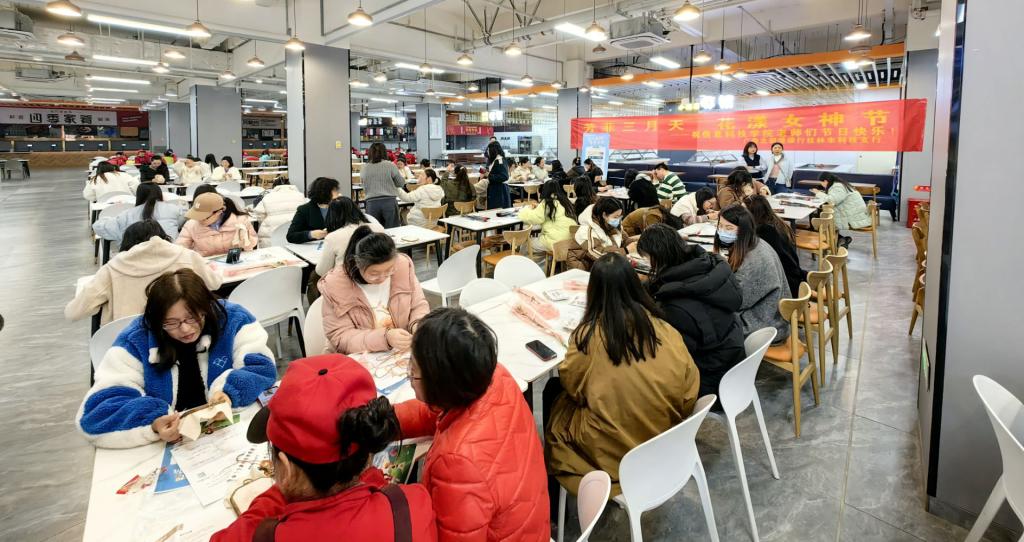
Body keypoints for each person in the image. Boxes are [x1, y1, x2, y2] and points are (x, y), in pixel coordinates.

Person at [211, 354, 437, 542]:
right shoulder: (413, 506)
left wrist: (283, 490)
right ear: (368, 454)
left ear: (287, 469)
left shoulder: (268, 535)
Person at [546, 253, 700, 495]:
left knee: (553, 393)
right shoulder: (662, 327)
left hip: (616, 450)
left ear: (593, 291)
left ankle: (552, 501)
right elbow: (690, 385)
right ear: (634, 284)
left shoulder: (589, 336)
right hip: (666, 436)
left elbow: (572, 386)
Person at [394, 308, 550, 541]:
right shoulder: (492, 376)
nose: (411, 378)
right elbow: (435, 412)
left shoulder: (458, 464)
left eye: (413, 372)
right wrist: (389, 420)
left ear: (440, 385)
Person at [76, 268, 276, 448]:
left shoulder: (231, 319)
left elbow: (261, 367)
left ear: (206, 307)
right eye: (171, 323)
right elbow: (97, 412)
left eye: (193, 317)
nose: (185, 329)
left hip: (228, 437)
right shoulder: (136, 340)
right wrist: (154, 421)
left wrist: (228, 393)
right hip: (168, 447)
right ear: (156, 321)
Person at [637, 224, 745, 397]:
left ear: (658, 258)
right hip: (732, 354)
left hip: (712, 378)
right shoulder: (707, 267)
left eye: (647, 258)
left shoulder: (675, 306)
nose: (648, 264)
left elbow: (679, 357)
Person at [66, 220, 221, 325]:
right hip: (184, 337)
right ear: (164, 237)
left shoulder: (112, 269)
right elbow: (215, 283)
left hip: (130, 345)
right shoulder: (186, 256)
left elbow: (73, 313)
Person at [319, 226, 429, 354]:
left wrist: (418, 325)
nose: (382, 277)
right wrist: (385, 338)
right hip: (357, 356)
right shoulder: (336, 285)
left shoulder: (402, 267)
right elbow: (340, 336)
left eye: (389, 270)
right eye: (374, 273)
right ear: (357, 264)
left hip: (398, 354)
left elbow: (418, 305)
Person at [715, 204, 790, 340]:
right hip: (769, 317)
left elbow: (735, 302)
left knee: (705, 322)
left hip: (765, 326)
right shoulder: (755, 243)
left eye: (729, 228)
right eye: (720, 226)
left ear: (743, 230)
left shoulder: (752, 261)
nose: (722, 231)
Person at [746, 195, 805, 297]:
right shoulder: (777, 223)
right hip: (793, 278)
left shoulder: (765, 232)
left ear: (753, 213)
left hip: (784, 286)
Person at [93, 182, 185, 242]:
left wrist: (106, 218)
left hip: (138, 258)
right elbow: (182, 222)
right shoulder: (175, 209)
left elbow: (99, 227)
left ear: (138, 196)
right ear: (160, 194)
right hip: (171, 255)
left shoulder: (128, 214)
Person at [316, 198, 384, 278]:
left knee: (314, 276)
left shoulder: (333, 237)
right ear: (356, 208)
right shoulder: (378, 227)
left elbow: (322, 271)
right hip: (378, 275)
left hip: (347, 279)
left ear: (332, 214)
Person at [177, 191, 258, 257]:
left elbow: (251, 246)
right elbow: (180, 248)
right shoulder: (191, 225)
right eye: (196, 215)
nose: (199, 220)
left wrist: (246, 240)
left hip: (234, 266)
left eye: (204, 217)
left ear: (218, 212)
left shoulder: (240, 221)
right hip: (206, 267)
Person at [517, 179, 577, 255]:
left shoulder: (547, 203)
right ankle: (546, 262)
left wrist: (525, 210)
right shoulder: (565, 202)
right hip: (569, 241)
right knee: (539, 241)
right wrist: (539, 207)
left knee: (525, 245)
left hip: (555, 241)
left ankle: (523, 262)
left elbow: (533, 218)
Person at [812, 172, 871, 248]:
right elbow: (835, 197)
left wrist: (818, 193)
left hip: (853, 216)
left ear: (825, 181)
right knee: (824, 219)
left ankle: (834, 242)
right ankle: (839, 240)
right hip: (854, 213)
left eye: (821, 183)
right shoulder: (838, 185)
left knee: (822, 222)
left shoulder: (837, 186)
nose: (822, 185)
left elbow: (832, 200)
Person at [569, 197, 624, 270]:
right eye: (616, 217)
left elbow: (625, 240)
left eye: (620, 216)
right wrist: (625, 250)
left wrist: (635, 244)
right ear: (604, 215)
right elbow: (596, 253)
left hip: (601, 265)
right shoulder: (587, 230)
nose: (618, 220)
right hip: (583, 267)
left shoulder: (610, 224)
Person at [361, 142, 407, 228]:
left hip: (371, 203)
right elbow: (400, 183)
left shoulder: (364, 167)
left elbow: (363, 186)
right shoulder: (390, 165)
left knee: (375, 231)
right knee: (393, 230)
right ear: (384, 152)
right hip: (389, 202)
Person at [251, 178, 305, 248]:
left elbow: (259, 214)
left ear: (274, 187)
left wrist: (267, 223)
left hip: (271, 238)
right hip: (296, 236)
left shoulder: (268, 197)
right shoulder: (300, 196)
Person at [286, 176, 339, 243]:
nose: (338, 193)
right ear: (325, 192)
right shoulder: (304, 210)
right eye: (334, 190)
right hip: (313, 247)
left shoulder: (337, 207)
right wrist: (310, 235)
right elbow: (291, 236)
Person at [484, 141, 511, 209]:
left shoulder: (499, 160)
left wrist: (489, 175)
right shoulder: (496, 160)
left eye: (489, 150)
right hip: (496, 189)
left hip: (499, 191)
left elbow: (504, 176)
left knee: (497, 211)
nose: (488, 153)